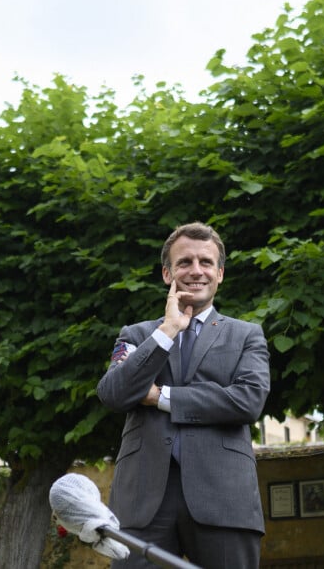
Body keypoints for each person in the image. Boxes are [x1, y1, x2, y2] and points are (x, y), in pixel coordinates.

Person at [97, 221, 271, 568]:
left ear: (220, 274)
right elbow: (114, 392)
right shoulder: (137, 334)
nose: (196, 271)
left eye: (206, 262)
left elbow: (248, 400)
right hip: (142, 501)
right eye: (184, 262)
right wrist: (168, 330)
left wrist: (161, 396)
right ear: (167, 273)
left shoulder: (247, 335)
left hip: (223, 498)